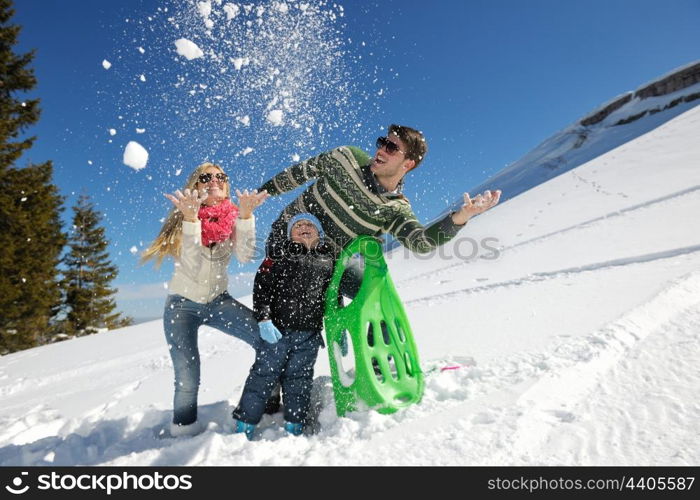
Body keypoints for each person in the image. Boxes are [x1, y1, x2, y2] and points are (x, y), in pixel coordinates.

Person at [257, 124, 501, 297]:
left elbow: (421, 242)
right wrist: (259, 196)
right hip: (289, 240)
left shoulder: (395, 208)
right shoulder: (345, 158)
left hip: (333, 261)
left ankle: (379, 365)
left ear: (408, 164)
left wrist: (462, 216)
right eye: (382, 143)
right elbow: (297, 174)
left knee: (377, 295)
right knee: (293, 302)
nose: (381, 150)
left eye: (392, 148)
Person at [142, 162, 268, 437]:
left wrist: (246, 216)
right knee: (188, 377)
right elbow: (192, 265)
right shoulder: (184, 217)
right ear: (195, 186)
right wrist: (190, 220)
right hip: (182, 306)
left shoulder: (232, 216)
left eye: (221, 176)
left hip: (218, 301)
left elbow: (246, 255)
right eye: (205, 177)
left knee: (268, 341)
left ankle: (267, 405)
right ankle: (183, 433)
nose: (214, 180)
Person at [230, 213, 335, 439]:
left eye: (309, 224)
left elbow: (333, 296)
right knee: (263, 375)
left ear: (320, 233)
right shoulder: (279, 255)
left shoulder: (329, 259)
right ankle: (244, 423)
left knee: (300, 378)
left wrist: (338, 324)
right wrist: (264, 319)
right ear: (289, 235)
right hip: (278, 331)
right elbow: (262, 289)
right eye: (297, 226)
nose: (304, 227)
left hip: (309, 334)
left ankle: (295, 424)